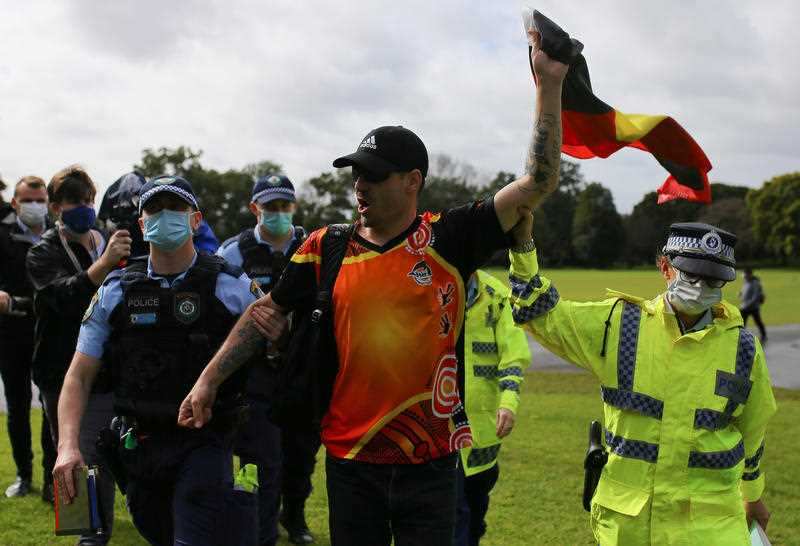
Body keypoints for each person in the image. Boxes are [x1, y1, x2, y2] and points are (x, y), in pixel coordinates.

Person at [179, 30, 569, 546]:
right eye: (355, 174)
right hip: (349, 459)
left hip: (430, 460)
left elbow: (538, 181)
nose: (360, 185)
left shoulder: (449, 238)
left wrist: (549, 84)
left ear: (412, 180)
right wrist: (208, 379)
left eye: (375, 176)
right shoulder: (324, 247)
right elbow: (264, 313)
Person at [507, 215, 777, 545]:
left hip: (712, 530)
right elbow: (537, 313)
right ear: (665, 267)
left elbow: (753, 430)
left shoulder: (743, 348)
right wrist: (523, 246)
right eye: (691, 274)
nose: (701, 287)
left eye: (713, 280)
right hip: (630, 528)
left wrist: (752, 494)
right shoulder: (619, 325)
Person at [52, 175, 261, 546]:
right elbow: (78, 377)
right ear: (142, 223)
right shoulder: (115, 291)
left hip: (206, 440)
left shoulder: (231, 285)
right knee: (159, 532)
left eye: (176, 208)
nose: (166, 216)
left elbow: (273, 331)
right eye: (155, 209)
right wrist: (68, 446)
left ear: (196, 220)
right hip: (139, 446)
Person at [26, 166, 125, 544]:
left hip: (109, 368)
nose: (83, 207)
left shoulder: (105, 238)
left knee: (109, 456)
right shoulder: (42, 252)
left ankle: (102, 524)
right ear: (55, 207)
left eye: (87, 199)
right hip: (62, 371)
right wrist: (102, 267)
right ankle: (86, 535)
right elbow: (59, 298)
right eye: (73, 201)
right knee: (74, 457)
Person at [217, 174, 317, 545]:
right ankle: (260, 527)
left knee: (301, 453)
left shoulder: (314, 245)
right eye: (270, 206)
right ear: (254, 208)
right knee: (261, 456)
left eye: (284, 206)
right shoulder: (232, 253)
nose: (278, 213)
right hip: (253, 372)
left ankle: (294, 515)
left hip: (301, 367)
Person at [456, 270, 530, 545]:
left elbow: (513, 355)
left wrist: (508, 404)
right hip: (440, 428)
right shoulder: (426, 285)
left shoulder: (496, 295)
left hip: (483, 432)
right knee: (455, 513)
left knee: (475, 510)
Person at [0, 176, 57, 500]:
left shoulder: (57, 234)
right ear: (15, 202)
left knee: (51, 405)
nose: (35, 205)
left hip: (49, 332)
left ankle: (53, 478)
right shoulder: (2, 235)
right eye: (28, 200)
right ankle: (24, 475)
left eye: (40, 199)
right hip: (11, 333)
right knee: (18, 405)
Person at [739, 267, 767, 343]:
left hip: (752, 307)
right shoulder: (746, 281)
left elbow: (755, 296)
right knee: (742, 322)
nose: (744, 276)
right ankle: (740, 336)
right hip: (745, 306)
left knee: (757, 321)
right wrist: (741, 293)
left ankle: (764, 335)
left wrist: (747, 305)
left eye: (745, 274)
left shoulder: (755, 283)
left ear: (749, 274)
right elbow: (744, 290)